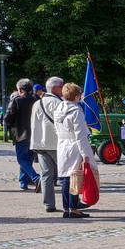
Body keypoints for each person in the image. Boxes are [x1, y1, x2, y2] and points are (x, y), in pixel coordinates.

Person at [54, 82, 97, 218]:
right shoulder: (76, 111)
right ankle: (73, 208)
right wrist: (85, 154)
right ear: (77, 96)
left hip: (62, 144)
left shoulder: (58, 108)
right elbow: (80, 135)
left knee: (66, 178)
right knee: (75, 177)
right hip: (74, 145)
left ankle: (66, 208)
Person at [31, 76, 64, 213]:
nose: (63, 89)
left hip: (40, 144)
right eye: (62, 87)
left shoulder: (37, 103)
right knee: (67, 174)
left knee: (46, 175)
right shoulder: (58, 103)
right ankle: (73, 202)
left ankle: (48, 204)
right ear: (55, 88)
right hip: (55, 143)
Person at [3, 79, 41, 191]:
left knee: (22, 159)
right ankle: (23, 182)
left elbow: (7, 118)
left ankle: (36, 178)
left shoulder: (17, 101)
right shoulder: (37, 100)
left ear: (20, 89)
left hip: (20, 134)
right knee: (28, 159)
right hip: (34, 134)